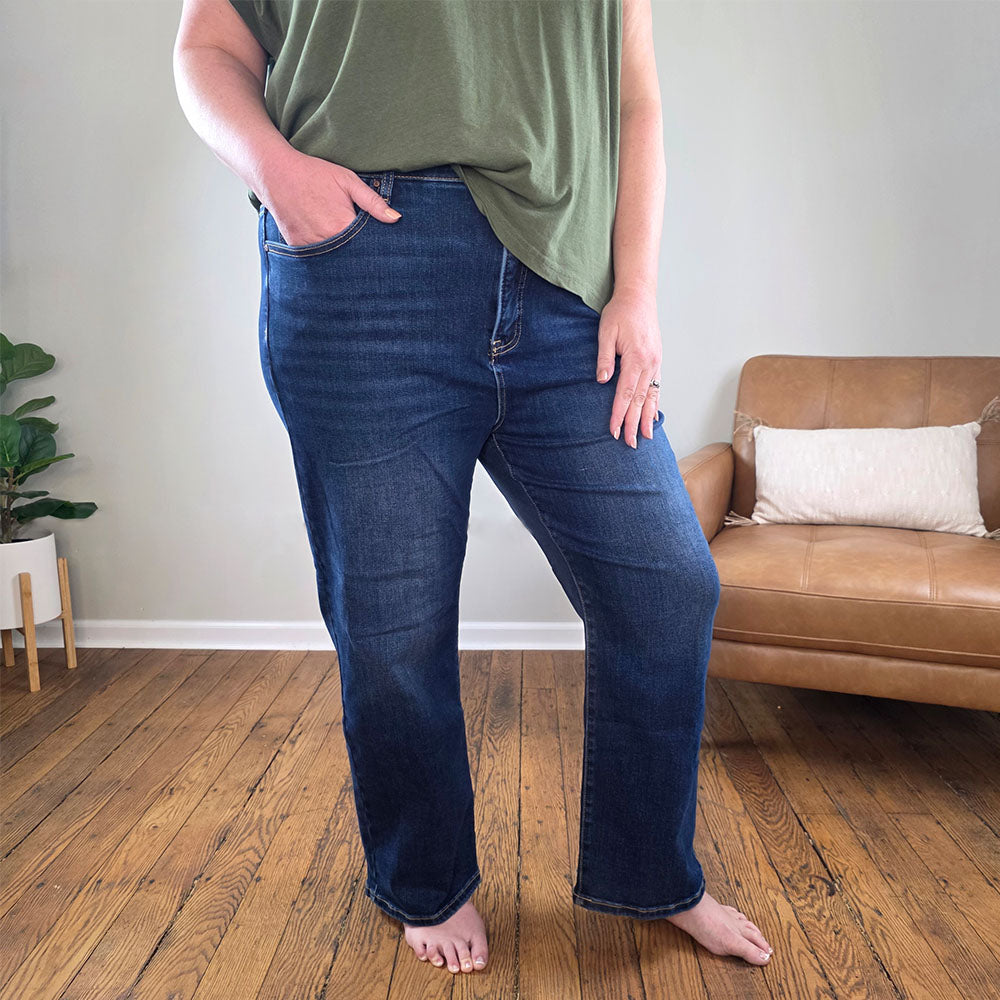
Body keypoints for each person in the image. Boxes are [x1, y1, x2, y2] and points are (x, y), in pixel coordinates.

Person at [173, 0, 773, 977]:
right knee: (391, 622)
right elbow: (206, 48)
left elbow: (634, 99)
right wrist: (274, 170)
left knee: (666, 585)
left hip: (564, 280)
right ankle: (427, 879)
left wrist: (636, 289)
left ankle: (652, 872)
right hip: (363, 266)